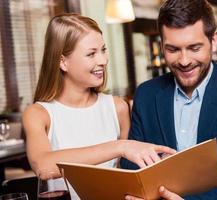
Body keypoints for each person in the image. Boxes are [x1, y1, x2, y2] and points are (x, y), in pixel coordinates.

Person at [121, 0, 217, 199]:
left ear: (214, 41)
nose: (184, 61)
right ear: (161, 46)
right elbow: (130, 169)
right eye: (173, 50)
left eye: (194, 48)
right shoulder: (146, 95)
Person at [22, 13, 176, 199]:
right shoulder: (39, 114)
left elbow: (129, 175)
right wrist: (120, 147)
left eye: (103, 50)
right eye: (91, 54)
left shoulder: (118, 107)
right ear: (62, 61)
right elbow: (44, 167)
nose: (102, 60)